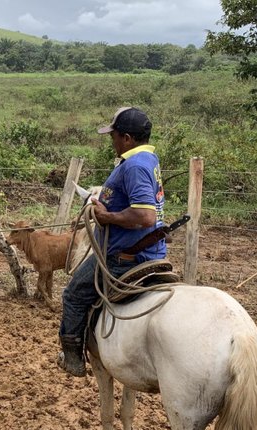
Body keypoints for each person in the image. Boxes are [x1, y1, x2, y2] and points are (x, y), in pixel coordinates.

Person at [58, 106, 166, 377]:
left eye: (113, 136)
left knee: (73, 294)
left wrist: (107, 217)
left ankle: (72, 356)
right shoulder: (148, 159)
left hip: (122, 257)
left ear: (127, 138)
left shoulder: (135, 166)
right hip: (150, 251)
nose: (112, 141)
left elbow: (145, 216)